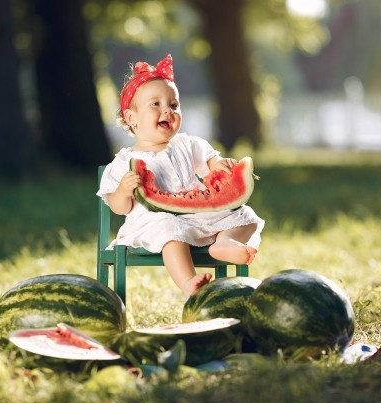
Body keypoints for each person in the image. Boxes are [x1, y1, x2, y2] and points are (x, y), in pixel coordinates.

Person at [97, 54, 264, 298]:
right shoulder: (124, 161)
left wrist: (221, 165)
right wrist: (123, 190)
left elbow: (211, 162)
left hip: (198, 218)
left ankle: (224, 242)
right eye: (156, 104)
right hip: (153, 225)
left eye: (173, 105)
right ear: (132, 118)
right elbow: (119, 207)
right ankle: (188, 283)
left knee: (245, 214)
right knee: (169, 228)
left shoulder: (188, 144)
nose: (167, 110)